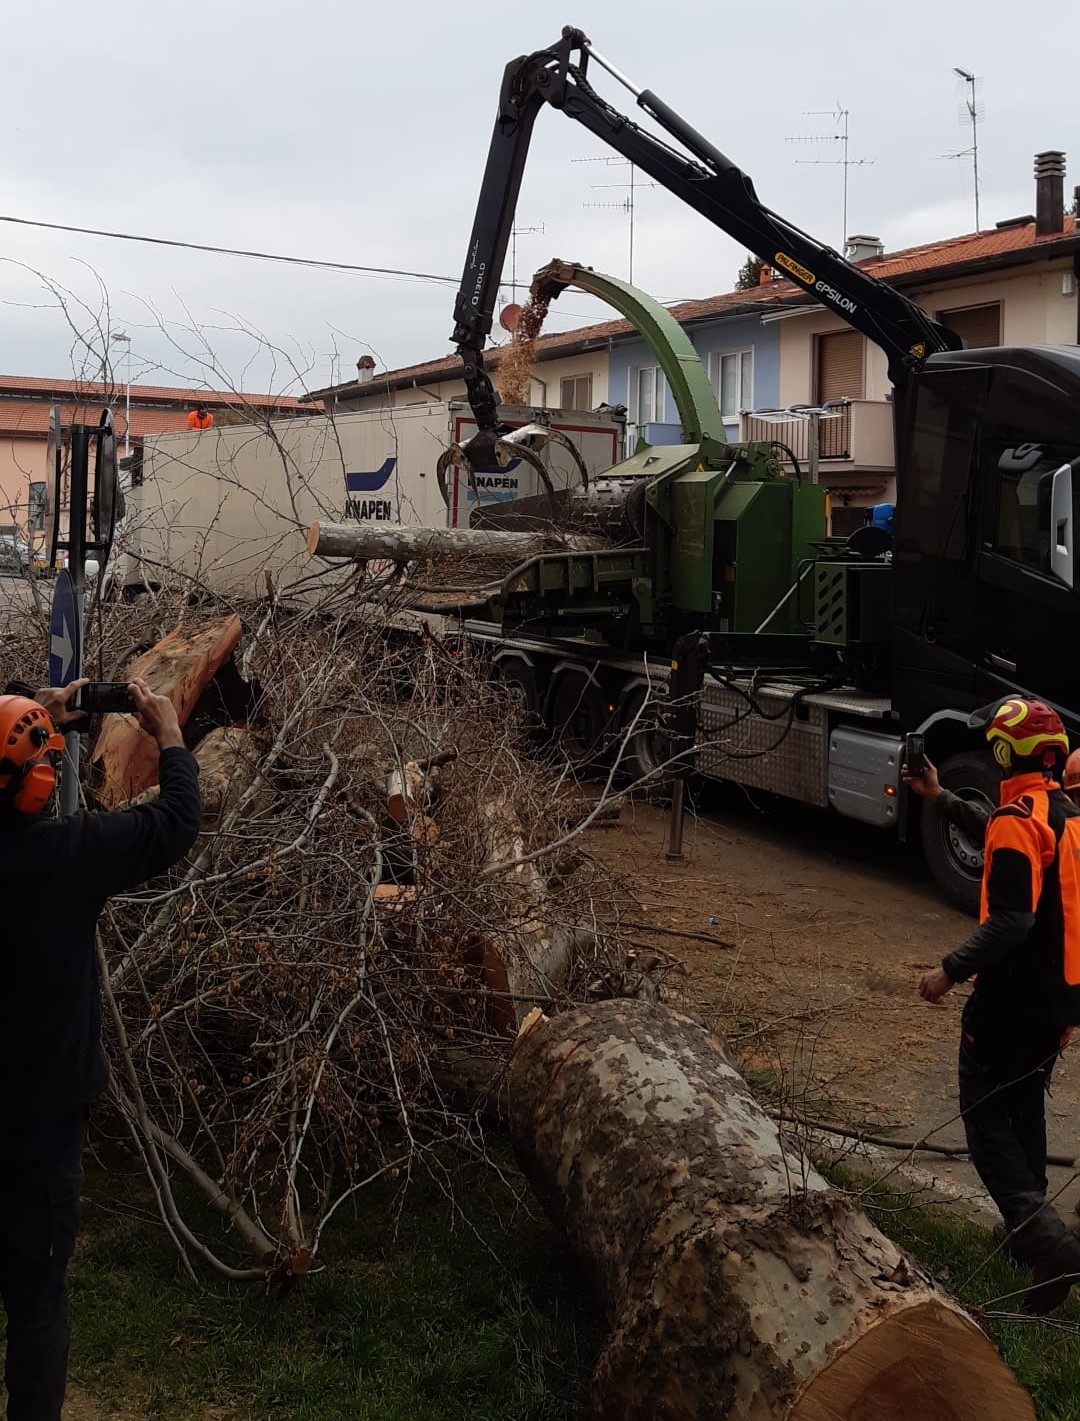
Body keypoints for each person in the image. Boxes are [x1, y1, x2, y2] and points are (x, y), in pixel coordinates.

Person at [0, 678, 201, 1420]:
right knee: (36, 1303)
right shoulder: (69, 857)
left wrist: (27, 708)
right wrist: (170, 734)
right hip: (42, 1129)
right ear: (45, 783)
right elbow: (177, 821)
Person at [916, 698, 1080, 1313]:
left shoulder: (1019, 820)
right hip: (1057, 1007)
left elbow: (1012, 918)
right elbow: (1001, 833)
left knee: (984, 1116)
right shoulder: (1064, 815)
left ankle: (1044, 1239)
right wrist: (942, 798)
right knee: (1021, 1105)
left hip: (1011, 1000)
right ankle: (1028, 1232)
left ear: (1008, 752)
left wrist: (949, 971)